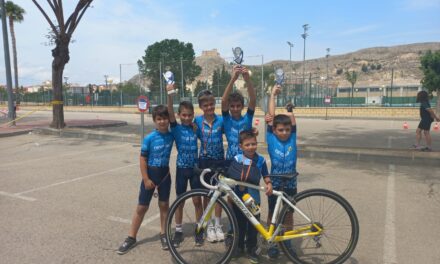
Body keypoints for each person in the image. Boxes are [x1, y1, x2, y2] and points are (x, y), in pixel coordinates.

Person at [117, 105, 174, 254]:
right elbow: (142, 159)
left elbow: (182, 128)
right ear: (154, 120)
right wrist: (146, 178)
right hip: (150, 176)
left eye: (164, 118)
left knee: (164, 206)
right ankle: (131, 237)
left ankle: (164, 233)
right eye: (159, 119)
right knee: (142, 207)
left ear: (169, 119)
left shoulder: (172, 135)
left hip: (165, 177)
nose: (162, 121)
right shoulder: (149, 138)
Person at [226, 130, 272, 264]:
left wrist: (268, 183)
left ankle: (251, 248)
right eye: (247, 145)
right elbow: (229, 176)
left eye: (254, 144)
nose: (251, 147)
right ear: (241, 146)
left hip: (253, 199)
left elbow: (265, 174)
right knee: (239, 224)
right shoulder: (236, 159)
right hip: (237, 198)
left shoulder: (261, 160)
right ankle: (238, 247)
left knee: (253, 225)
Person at [166, 84, 203, 247]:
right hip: (182, 168)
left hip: (195, 169)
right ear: (180, 115)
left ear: (193, 115)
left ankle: (199, 229)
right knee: (180, 201)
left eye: (190, 115)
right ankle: (179, 230)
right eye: (184, 115)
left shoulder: (196, 128)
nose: (187, 118)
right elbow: (169, 113)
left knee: (197, 201)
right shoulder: (176, 128)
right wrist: (170, 95)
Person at [264, 84, 297, 259]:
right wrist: (272, 95)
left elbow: (292, 119)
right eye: (280, 130)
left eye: (287, 130)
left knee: (289, 214)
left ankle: (288, 242)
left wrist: (290, 110)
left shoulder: (292, 137)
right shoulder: (271, 138)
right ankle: (273, 242)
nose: (284, 132)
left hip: (291, 181)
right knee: (272, 213)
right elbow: (271, 117)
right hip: (275, 182)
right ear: (274, 131)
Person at [194, 89, 226, 243]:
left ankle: (218, 225)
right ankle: (208, 226)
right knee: (207, 195)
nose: (209, 107)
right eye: (205, 105)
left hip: (219, 161)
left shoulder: (221, 121)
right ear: (201, 106)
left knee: (218, 194)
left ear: (215, 104)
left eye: (211, 104)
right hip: (204, 161)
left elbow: (234, 134)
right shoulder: (197, 121)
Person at [221, 65, 256, 165]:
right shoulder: (227, 119)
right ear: (229, 107)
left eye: (238, 106)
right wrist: (233, 79)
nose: (235, 109)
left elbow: (253, 100)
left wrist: (247, 80)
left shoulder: (247, 119)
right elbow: (224, 101)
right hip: (229, 161)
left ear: (242, 106)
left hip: (246, 161)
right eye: (232, 106)